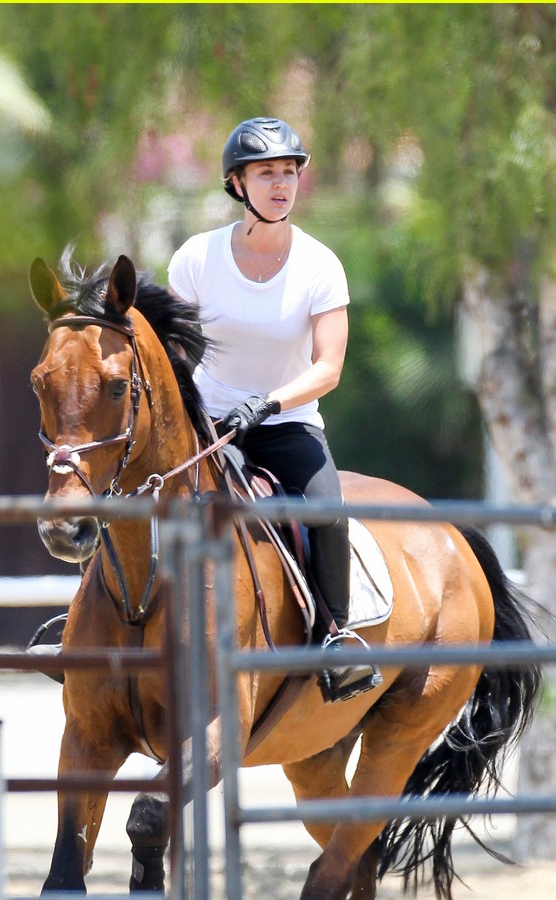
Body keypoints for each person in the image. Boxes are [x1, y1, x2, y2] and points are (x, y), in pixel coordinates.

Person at [167, 116, 382, 703]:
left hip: (285, 423)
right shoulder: (196, 258)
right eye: (267, 173)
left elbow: (328, 368)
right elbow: (176, 351)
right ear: (237, 184)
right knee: (136, 488)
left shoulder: (320, 265)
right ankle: (89, 619)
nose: (282, 184)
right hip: (208, 423)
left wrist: (265, 405)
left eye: (289, 172)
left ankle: (336, 638)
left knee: (327, 512)